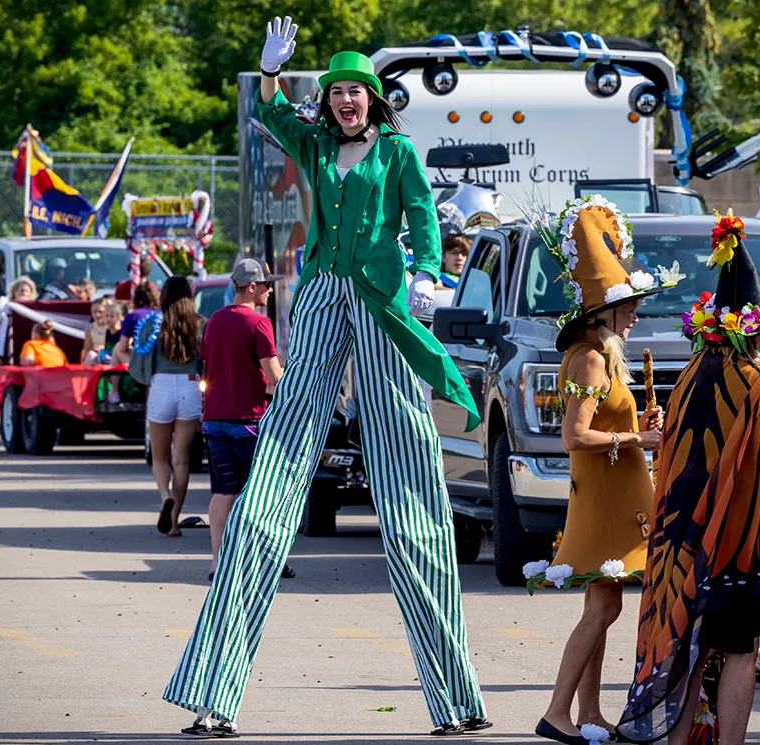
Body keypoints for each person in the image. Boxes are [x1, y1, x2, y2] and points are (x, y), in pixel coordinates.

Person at [164, 18, 488, 738]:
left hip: (382, 303)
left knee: (411, 496)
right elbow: (271, 114)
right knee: (268, 487)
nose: (346, 102)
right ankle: (213, 694)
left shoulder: (399, 152)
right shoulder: (313, 142)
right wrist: (270, 72)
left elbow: (423, 220)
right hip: (319, 297)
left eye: (356, 93)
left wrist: (430, 273)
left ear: (374, 100)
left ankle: (455, 698)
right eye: (336, 92)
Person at [617, 212, 760, 745]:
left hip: (683, 539)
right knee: (740, 651)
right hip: (736, 541)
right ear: (757, 326)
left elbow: (672, 454)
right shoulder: (758, 376)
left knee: (689, 645)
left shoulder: (694, 370)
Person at [527, 198, 666, 745]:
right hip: (605, 499)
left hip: (612, 493)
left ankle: (587, 713)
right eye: (628, 306)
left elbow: (604, 420)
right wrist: (639, 437)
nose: (636, 315)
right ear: (603, 313)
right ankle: (558, 712)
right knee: (604, 605)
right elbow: (574, 437)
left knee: (600, 606)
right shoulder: (588, 357)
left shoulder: (603, 357)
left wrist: (639, 422)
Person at [200, 259, 289, 580]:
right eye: (266, 285)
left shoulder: (213, 322)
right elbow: (274, 376)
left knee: (222, 492)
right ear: (252, 286)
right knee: (261, 493)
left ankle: (217, 561)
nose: (269, 290)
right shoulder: (258, 323)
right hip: (248, 421)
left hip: (214, 419)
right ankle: (263, 559)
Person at [141, 277, 203, 537]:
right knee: (182, 459)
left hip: (161, 387)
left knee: (159, 457)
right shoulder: (200, 324)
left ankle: (164, 495)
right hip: (190, 387)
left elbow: (140, 359)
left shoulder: (154, 324)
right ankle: (174, 522)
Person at [0, 276, 37, 366]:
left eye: (26, 291)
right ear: (14, 292)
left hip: (27, 357)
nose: (24, 293)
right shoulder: (3, 308)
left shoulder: (35, 312)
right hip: (6, 354)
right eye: (21, 290)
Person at [112, 280, 159, 365]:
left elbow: (123, 348)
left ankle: (114, 378)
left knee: (117, 347)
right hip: (160, 361)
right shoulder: (162, 314)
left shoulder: (132, 316)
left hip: (141, 363)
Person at [82, 298, 108, 364]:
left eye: (100, 312)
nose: (97, 315)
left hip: (109, 354)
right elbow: (87, 348)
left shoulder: (111, 326)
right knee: (91, 355)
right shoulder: (89, 328)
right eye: (94, 312)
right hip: (94, 355)